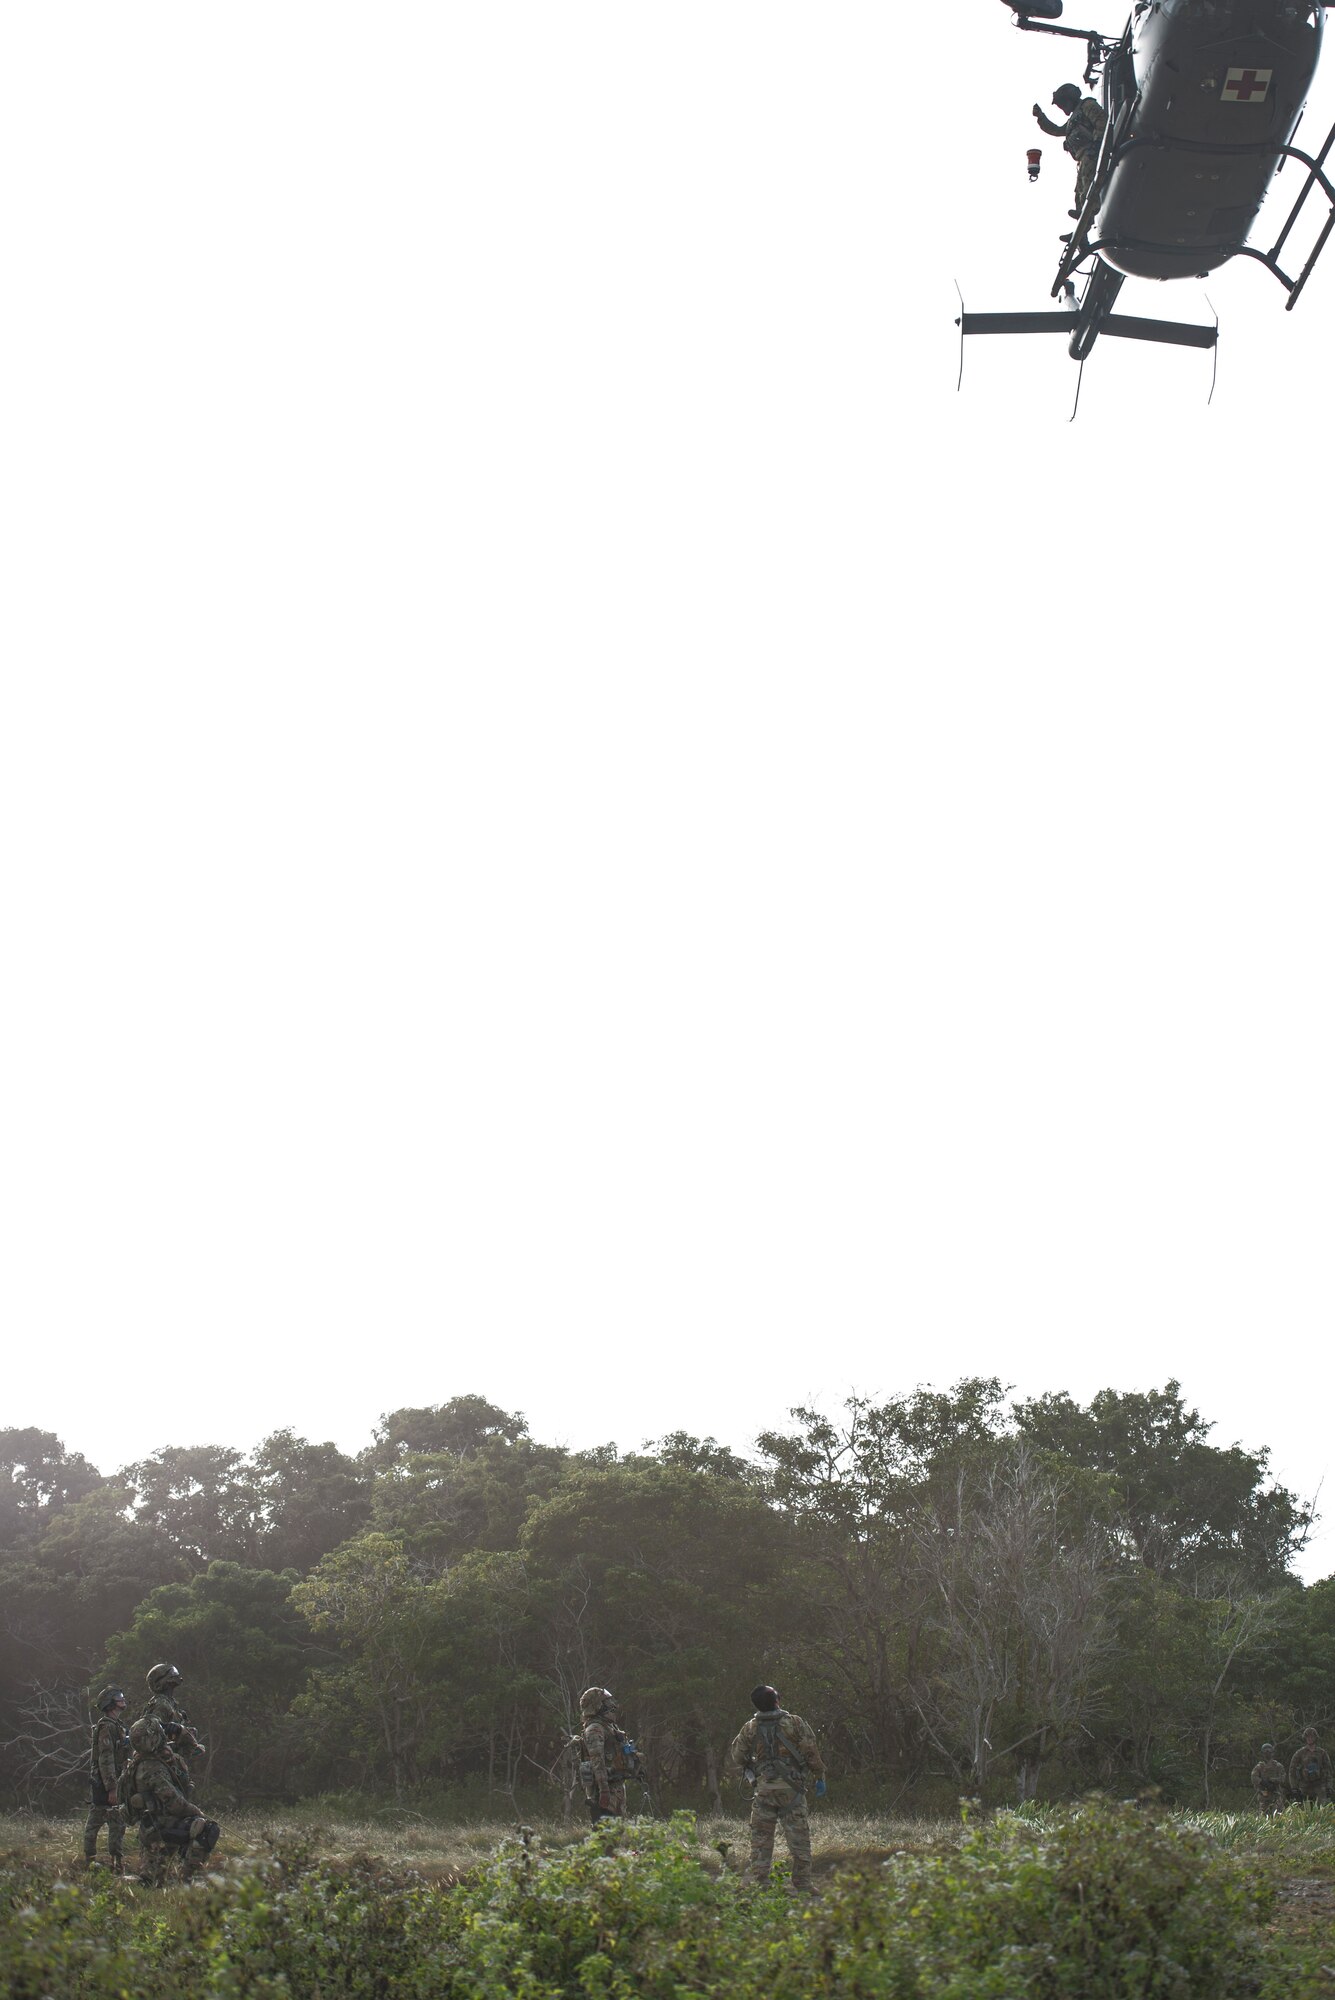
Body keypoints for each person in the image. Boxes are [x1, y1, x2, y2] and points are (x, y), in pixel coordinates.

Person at [726, 1683, 826, 1894]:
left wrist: (753, 1769)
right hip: (792, 1792)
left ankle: (759, 1883)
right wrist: (819, 1776)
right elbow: (811, 1753)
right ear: (777, 1701)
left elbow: (737, 1756)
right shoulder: (795, 1723)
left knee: (761, 1840)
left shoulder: (750, 1728)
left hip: (763, 1792)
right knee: (799, 1840)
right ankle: (803, 1884)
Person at [124, 1716, 221, 1886]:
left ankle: (153, 1876)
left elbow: (193, 1749)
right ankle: (187, 1881)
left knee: (153, 1880)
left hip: (155, 1824)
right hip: (161, 1826)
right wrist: (196, 1811)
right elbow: (174, 1802)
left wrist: (179, 1730)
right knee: (207, 1828)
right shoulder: (152, 1767)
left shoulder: (149, 1758)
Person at [1032, 83, 1108, 218]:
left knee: (1088, 186)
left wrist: (1098, 144)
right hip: (1083, 157)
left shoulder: (1087, 106)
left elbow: (1101, 120)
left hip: (1091, 153)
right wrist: (1040, 117)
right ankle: (1082, 231)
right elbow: (1056, 130)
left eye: (1062, 104)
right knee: (1079, 193)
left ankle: (1089, 212)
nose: (1062, 108)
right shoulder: (1074, 118)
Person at [82, 1685, 130, 1872]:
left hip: (111, 1779)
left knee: (114, 1820)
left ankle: (112, 1861)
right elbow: (106, 1757)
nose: (122, 1700)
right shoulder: (106, 1726)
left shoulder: (116, 1725)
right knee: (104, 1819)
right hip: (105, 1782)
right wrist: (112, 1787)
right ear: (110, 1704)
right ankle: (96, 1860)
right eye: (119, 1697)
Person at [574, 1686, 636, 1823]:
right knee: (604, 1834)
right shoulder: (594, 1729)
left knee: (616, 1834)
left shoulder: (609, 1726)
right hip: (604, 1790)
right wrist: (604, 1790)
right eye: (607, 1703)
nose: (612, 1706)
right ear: (598, 1706)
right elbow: (597, 1761)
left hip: (616, 1787)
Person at [141, 1662, 206, 1789]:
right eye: (170, 1675)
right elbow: (151, 1735)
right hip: (161, 1765)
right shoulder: (161, 1704)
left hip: (172, 1763)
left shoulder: (171, 1704)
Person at [1289, 1727, 1333, 1804]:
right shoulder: (1300, 1753)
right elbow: (1292, 1771)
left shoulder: (1322, 1753)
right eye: (1307, 1737)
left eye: (1312, 1736)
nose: (1309, 1739)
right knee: (1305, 1811)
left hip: (1319, 1785)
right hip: (1304, 1786)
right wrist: (1294, 1788)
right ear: (1305, 1738)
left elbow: (1328, 1770)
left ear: (1315, 1738)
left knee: (1322, 1810)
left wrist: (1329, 1786)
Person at [1251, 1742, 1287, 1813]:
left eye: (1269, 1751)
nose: (1267, 1753)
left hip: (1276, 1794)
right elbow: (1253, 1777)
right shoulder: (1259, 1767)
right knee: (1263, 1814)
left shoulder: (1278, 1766)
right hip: (1263, 1795)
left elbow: (1283, 1778)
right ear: (1262, 1754)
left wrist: (1273, 1781)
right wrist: (1263, 1782)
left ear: (1272, 1752)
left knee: (1278, 1814)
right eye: (1265, 1751)